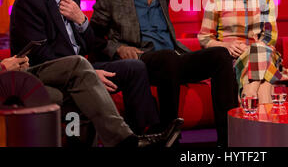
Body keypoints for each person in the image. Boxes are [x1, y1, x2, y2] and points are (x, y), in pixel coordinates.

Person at [9, 0, 181, 142]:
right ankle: (128, 142)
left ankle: (144, 134)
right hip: (46, 73)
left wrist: (81, 20)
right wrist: (85, 74)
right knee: (81, 66)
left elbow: (90, 44)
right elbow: (40, 54)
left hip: (80, 67)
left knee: (134, 68)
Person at [89, 0, 239, 147]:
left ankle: (229, 139)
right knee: (167, 58)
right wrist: (117, 49)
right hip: (144, 61)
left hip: (173, 59)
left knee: (220, 55)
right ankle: (169, 136)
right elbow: (93, 39)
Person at [0, 54, 181, 147]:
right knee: (74, 80)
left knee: (77, 78)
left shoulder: (71, 0)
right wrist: (3, 67)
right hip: (6, 82)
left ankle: (123, 141)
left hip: (15, 77)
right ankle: (127, 142)